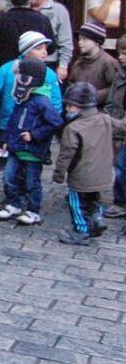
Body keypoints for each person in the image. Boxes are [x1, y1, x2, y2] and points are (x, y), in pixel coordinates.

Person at [0, 31, 63, 186]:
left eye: (45, 48)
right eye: (38, 48)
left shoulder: (49, 74)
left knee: (31, 165)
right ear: (26, 51)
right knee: (11, 164)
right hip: (9, 125)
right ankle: (12, 196)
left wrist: (47, 126)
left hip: (33, 129)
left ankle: (28, 196)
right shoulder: (8, 69)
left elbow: (56, 102)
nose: (44, 52)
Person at [54, 82, 126, 245]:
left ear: (78, 107)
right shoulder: (105, 119)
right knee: (94, 199)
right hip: (102, 173)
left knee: (76, 203)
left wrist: (59, 174)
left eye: (69, 106)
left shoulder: (72, 128)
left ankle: (81, 231)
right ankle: (97, 219)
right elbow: (122, 126)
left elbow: (66, 155)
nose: (67, 110)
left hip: (81, 175)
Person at [0, 59, 62, 227]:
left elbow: (55, 122)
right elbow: (13, 122)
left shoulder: (42, 101)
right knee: (9, 177)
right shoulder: (22, 99)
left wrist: (35, 135)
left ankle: (33, 211)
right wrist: (6, 140)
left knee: (32, 183)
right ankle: (14, 204)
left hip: (33, 151)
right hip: (16, 148)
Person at [27, 0, 73, 81]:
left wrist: (63, 66)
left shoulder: (59, 10)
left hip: (49, 62)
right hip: (25, 62)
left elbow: (65, 41)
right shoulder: (23, 9)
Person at [68, 21, 119, 106]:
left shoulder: (109, 62)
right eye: (79, 39)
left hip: (99, 111)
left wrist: (92, 96)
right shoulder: (78, 62)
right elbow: (71, 83)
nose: (80, 42)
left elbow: (114, 88)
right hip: (78, 109)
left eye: (85, 39)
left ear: (97, 42)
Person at [103, 35, 126, 219]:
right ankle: (120, 202)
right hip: (117, 124)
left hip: (120, 126)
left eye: (125, 53)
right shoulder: (120, 73)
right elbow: (112, 99)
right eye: (120, 52)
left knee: (121, 164)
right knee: (120, 164)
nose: (121, 57)